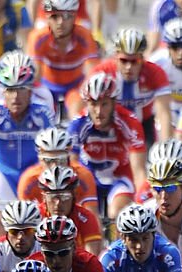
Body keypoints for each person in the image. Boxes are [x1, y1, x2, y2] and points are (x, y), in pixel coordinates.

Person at [0, 53, 55, 202]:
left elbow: (53, 148)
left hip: (33, 171)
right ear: (3, 92)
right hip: (3, 172)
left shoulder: (42, 113)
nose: (16, 96)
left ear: (30, 92)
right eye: (10, 90)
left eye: (21, 89)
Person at [67, 72, 146, 219]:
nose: (98, 111)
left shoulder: (129, 122)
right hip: (89, 178)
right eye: (93, 104)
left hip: (119, 177)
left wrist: (142, 201)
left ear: (114, 103)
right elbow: (71, 164)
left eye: (104, 104)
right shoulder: (78, 125)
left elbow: (139, 169)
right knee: (90, 217)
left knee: (117, 213)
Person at [25, 0, 99, 117]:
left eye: (66, 16)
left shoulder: (85, 36)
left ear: (74, 16)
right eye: (54, 17)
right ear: (47, 18)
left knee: (76, 115)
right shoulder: (37, 37)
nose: (60, 22)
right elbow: (35, 77)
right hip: (47, 86)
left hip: (75, 87)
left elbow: (92, 74)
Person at [17, 126, 100, 218]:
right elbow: (24, 219)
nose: (54, 166)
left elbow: (92, 215)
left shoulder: (83, 175)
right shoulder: (28, 179)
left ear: (68, 157)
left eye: (60, 161)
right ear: (40, 159)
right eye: (48, 161)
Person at [101, 204, 182, 272]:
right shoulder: (110, 256)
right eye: (133, 240)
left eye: (145, 238)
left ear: (154, 235)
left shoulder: (168, 253)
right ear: (123, 238)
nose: (140, 246)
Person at [36, 165, 103, 256]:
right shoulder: (36, 215)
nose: (58, 203)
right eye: (52, 197)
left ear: (74, 196)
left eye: (64, 197)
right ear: (44, 197)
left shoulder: (86, 218)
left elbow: (92, 256)